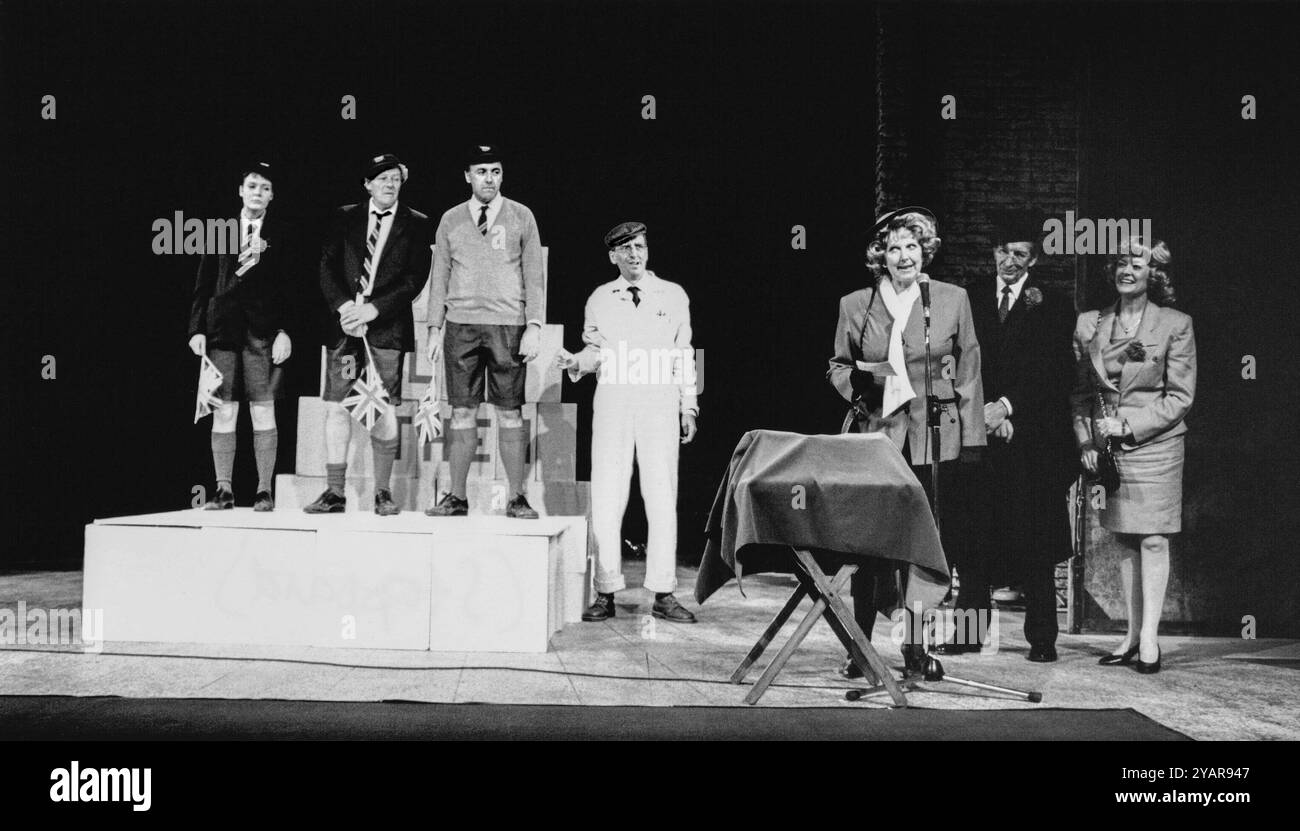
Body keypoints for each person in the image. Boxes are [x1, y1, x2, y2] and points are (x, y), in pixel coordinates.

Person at [828, 207, 985, 674]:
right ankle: (859, 646)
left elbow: (970, 369)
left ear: (925, 250)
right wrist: (860, 384)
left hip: (933, 439)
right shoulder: (855, 304)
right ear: (881, 255)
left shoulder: (951, 299)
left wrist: (972, 440)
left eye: (912, 246)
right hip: (876, 437)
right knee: (869, 547)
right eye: (893, 247)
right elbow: (839, 364)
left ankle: (916, 647)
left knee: (924, 545)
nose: (903, 256)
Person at [556, 222, 700, 623]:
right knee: (607, 494)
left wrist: (689, 406)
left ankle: (664, 590)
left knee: (661, 495)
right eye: (626, 249)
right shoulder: (600, 298)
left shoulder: (672, 295)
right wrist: (576, 363)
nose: (635, 254)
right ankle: (606, 591)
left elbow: (684, 353)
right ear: (613, 256)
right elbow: (595, 350)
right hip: (615, 399)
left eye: (640, 246)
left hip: (658, 400)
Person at [956, 210, 1076, 662]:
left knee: (1035, 541)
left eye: (1020, 254)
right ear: (994, 253)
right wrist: (983, 413)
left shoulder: (1054, 304)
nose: (1010, 261)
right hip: (979, 437)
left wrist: (1007, 408)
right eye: (1004, 252)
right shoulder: (970, 298)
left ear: (1034, 259)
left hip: (1032, 441)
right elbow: (961, 362)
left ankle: (1042, 639)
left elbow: (1055, 369)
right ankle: (969, 634)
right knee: (972, 540)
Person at [1073, 237, 1195, 674]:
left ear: (1153, 275)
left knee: (1154, 537)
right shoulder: (1092, 322)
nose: (1127, 270)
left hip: (1157, 445)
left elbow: (1180, 397)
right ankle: (1128, 636)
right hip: (1109, 450)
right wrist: (1087, 440)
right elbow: (1082, 392)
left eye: (1137, 264)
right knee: (1124, 536)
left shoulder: (1176, 324)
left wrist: (1129, 425)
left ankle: (1149, 639)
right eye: (1121, 263)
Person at [305, 153, 433, 515]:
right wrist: (345, 306)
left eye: (394, 178)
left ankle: (382, 492)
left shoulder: (417, 223)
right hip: (346, 333)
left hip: (386, 333)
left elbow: (414, 278)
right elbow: (326, 264)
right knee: (337, 406)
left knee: (382, 407)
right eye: (381, 179)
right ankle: (334, 493)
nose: (389, 184)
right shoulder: (344, 217)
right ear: (367, 184)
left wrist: (374, 309)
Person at [425, 145, 544, 519]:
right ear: (467, 176)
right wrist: (433, 327)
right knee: (461, 411)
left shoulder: (522, 216)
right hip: (460, 324)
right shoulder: (450, 219)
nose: (488, 179)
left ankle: (517, 498)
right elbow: (439, 275)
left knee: (510, 413)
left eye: (495, 171)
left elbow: (534, 277)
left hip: (508, 325)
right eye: (481, 172)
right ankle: (456, 497)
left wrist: (535, 326)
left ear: (502, 175)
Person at [188, 161, 293, 511]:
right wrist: (196, 329)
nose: (257, 193)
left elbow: (292, 289)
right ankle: (223, 490)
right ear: (240, 190)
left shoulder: (281, 234)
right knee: (224, 410)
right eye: (252, 186)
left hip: (263, 335)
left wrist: (285, 332)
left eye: (264, 188)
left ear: (272, 195)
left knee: (264, 410)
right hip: (222, 334)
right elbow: (203, 284)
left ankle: (264, 490)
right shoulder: (218, 230)